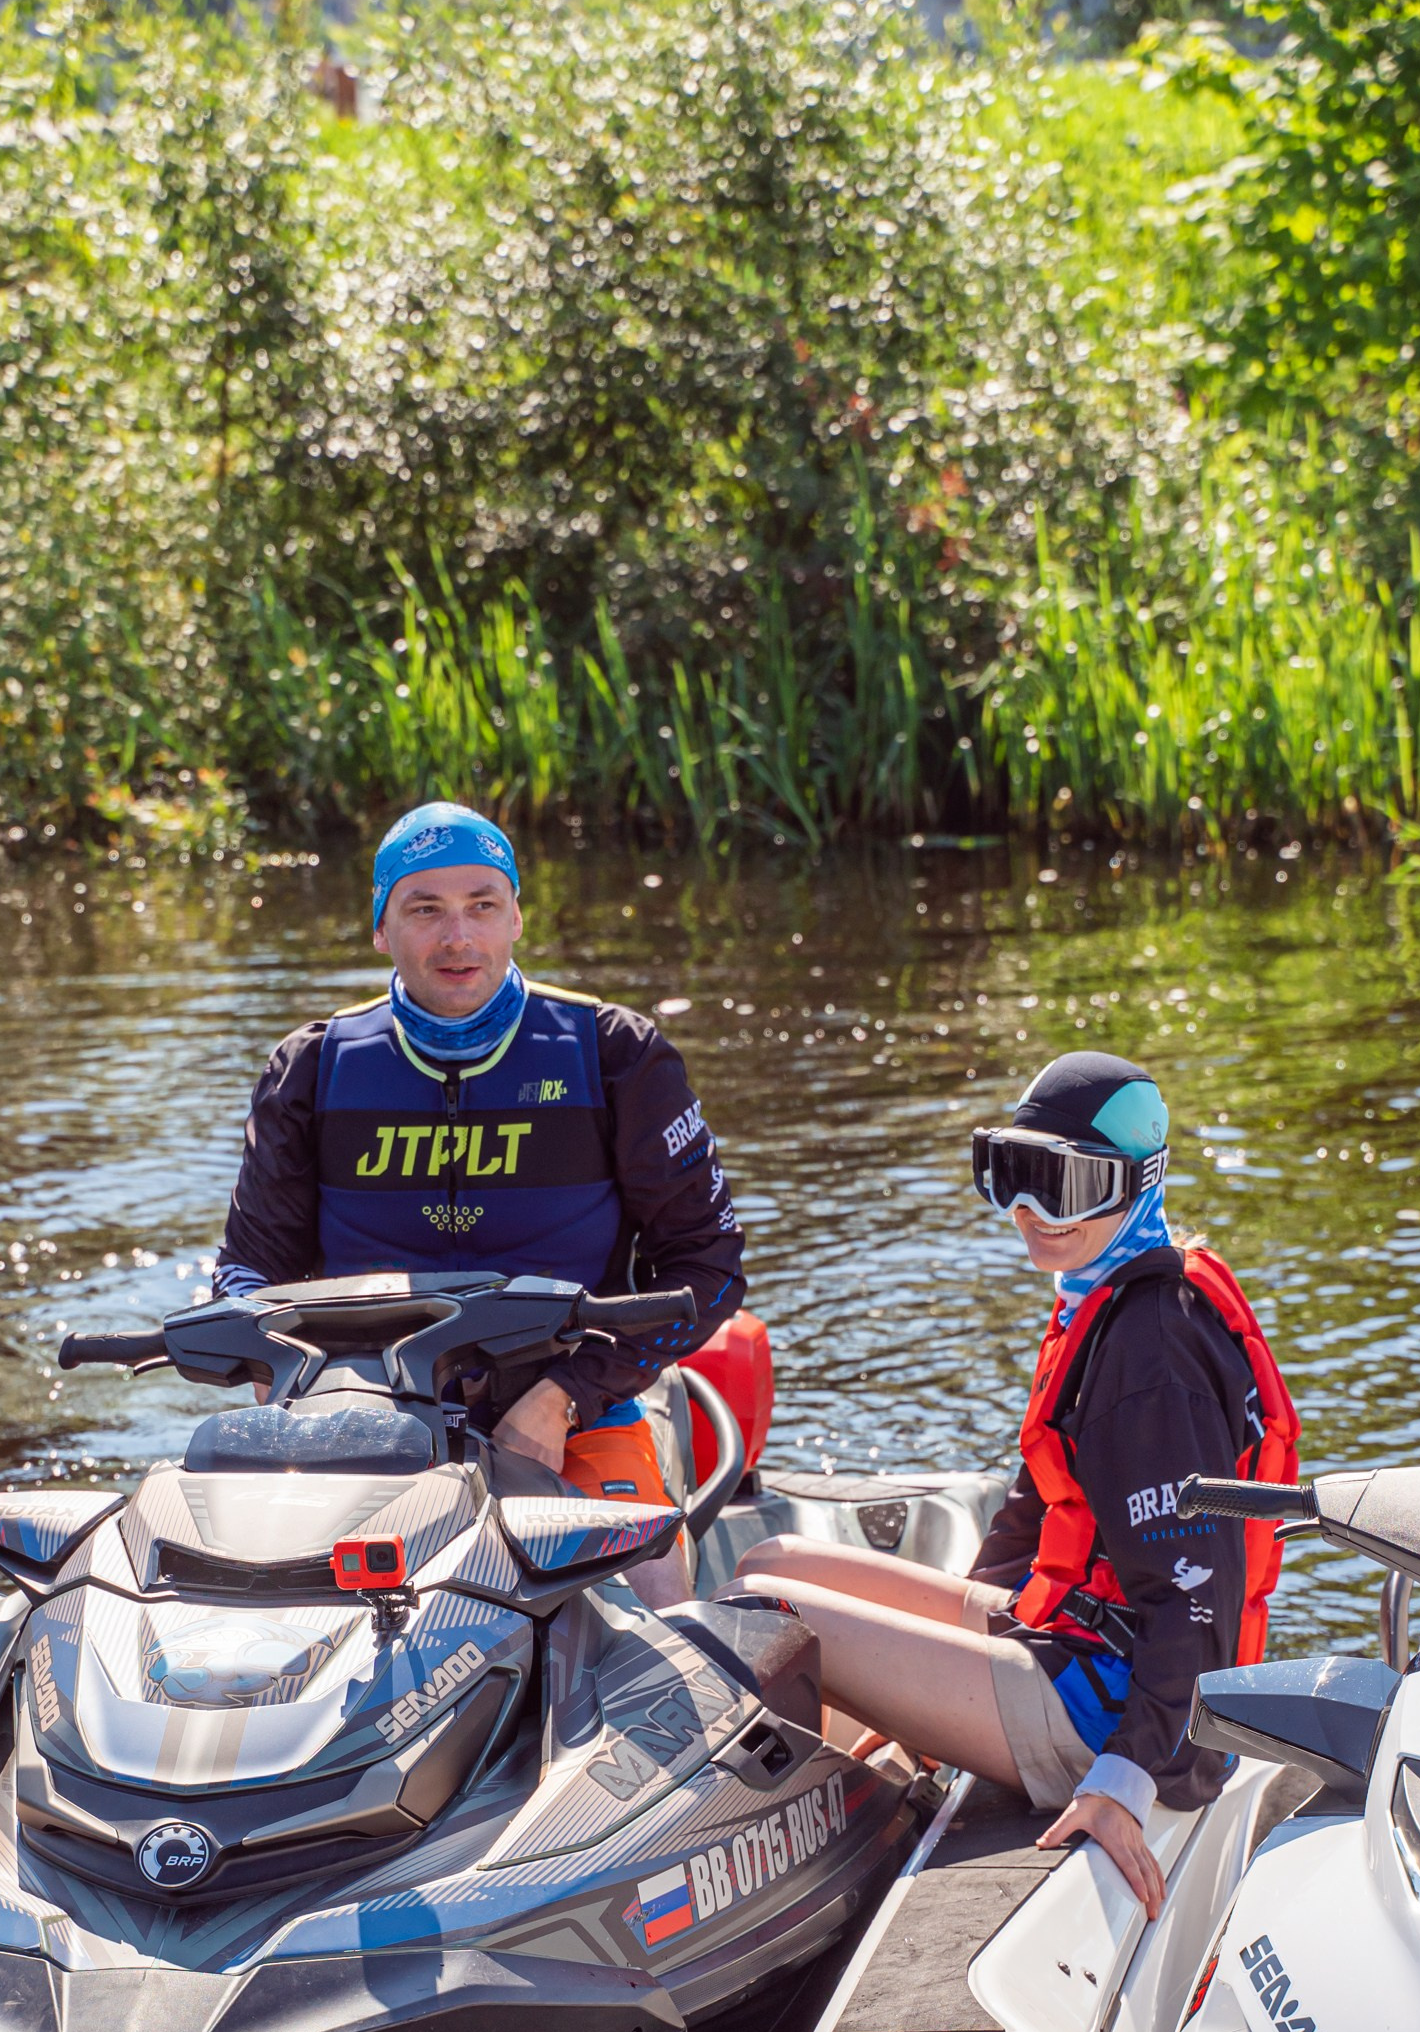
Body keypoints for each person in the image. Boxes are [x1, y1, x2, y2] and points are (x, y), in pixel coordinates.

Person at [731, 1051, 1299, 1917]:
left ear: (1133, 1184)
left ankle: (782, 1872)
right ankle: (850, 1803)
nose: (1031, 1212)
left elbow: (1199, 1595)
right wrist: (921, 1684)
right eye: (1014, 1175)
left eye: (1062, 1185)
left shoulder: (1152, 1354)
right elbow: (1035, 1515)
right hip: (1072, 1641)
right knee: (772, 1561)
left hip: (1114, 1717)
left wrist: (1126, 1780)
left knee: (772, 1618)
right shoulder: (1110, 1292)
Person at [213, 799, 744, 1558]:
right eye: (424, 909)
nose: (457, 937)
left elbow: (710, 1268)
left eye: (481, 906)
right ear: (380, 930)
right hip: (362, 1421)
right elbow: (247, 1272)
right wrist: (275, 1370)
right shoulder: (313, 1068)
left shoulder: (617, 1055)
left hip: (571, 1409)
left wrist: (565, 1397)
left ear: (517, 919)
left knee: (651, 1601)